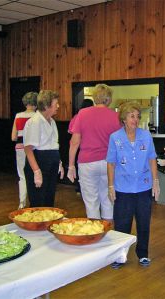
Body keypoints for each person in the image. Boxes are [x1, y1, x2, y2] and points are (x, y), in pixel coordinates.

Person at [106, 101, 160, 269]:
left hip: (143, 187)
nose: (135, 120)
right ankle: (120, 256)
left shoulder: (146, 135)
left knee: (144, 222)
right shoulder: (115, 137)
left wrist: (156, 181)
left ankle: (143, 254)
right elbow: (111, 163)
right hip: (123, 187)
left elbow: (152, 158)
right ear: (123, 118)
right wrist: (110, 186)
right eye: (131, 116)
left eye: (137, 116)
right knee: (122, 224)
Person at [67, 84, 121, 220]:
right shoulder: (116, 116)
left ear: (94, 97)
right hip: (109, 163)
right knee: (108, 200)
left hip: (87, 163)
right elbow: (120, 144)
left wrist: (71, 165)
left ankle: (95, 235)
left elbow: (74, 142)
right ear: (109, 99)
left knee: (91, 202)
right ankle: (108, 235)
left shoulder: (83, 114)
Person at [23, 90, 64, 207]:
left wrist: (59, 162)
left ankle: (47, 225)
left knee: (49, 199)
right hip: (39, 161)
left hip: (51, 162)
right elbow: (28, 148)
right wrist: (36, 171)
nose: (58, 106)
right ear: (46, 106)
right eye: (56, 103)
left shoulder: (52, 122)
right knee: (38, 201)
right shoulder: (35, 122)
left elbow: (53, 144)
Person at [11, 92, 37, 209]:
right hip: (34, 148)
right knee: (35, 173)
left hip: (20, 148)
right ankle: (35, 201)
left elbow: (13, 137)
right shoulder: (37, 116)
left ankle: (22, 202)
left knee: (22, 175)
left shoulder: (18, 115)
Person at [68, 98, 95, 195]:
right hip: (91, 146)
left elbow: (70, 131)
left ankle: (79, 188)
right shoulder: (93, 116)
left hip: (78, 147)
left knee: (79, 168)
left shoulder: (77, 116)